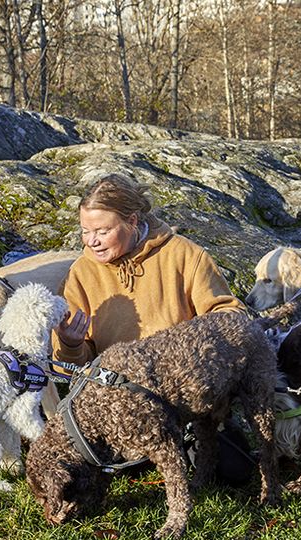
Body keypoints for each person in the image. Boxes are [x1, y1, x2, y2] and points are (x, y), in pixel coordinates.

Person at [53, 172, 255, 486]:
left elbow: (230, 318)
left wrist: (192, 357)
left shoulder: (185, 255)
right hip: (116, 405)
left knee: (235, 472)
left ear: (132, 220)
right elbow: (72, 370)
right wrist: (70, 344)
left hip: (182, 401)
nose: (91, 241)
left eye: (102, 231)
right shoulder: (81, 273)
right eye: (85, 231)